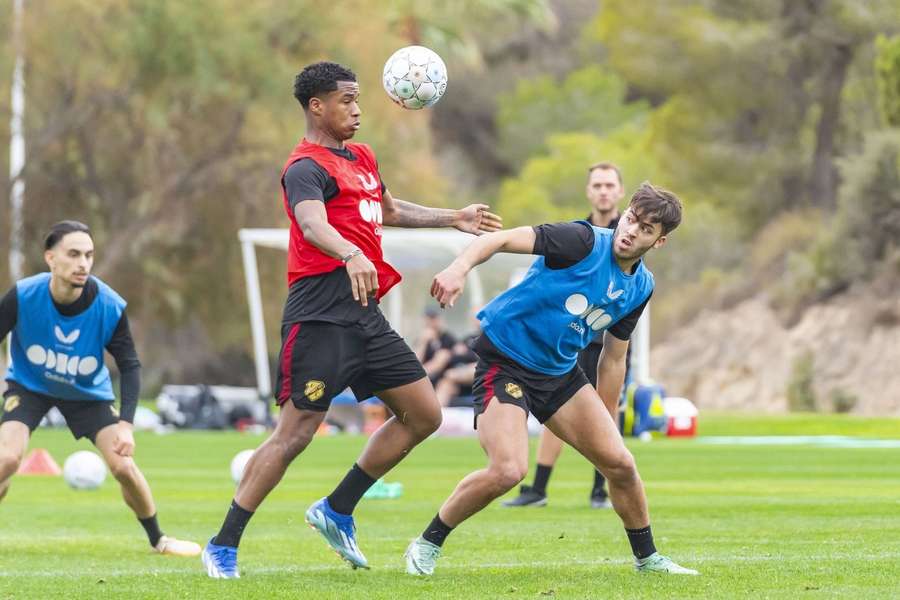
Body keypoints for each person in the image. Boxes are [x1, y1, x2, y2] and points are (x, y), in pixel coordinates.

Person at [202, 61, 501, 578]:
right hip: (318, 314)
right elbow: (311, 222)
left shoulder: (361, 156)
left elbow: (385, 209)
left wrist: (452, 217)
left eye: (359, 99)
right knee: (294, 435)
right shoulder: (304, 167)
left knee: (424, 414)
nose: (358, 109)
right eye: (346, 100)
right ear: (317, 106)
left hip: (366, 315)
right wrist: (349, 253)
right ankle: (223, 544)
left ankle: (337, 508)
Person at [404, 183, 698, 576]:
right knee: (508, 470)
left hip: (559, 374)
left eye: (646, 229)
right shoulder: (580, 241)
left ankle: (648, 559)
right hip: (504, 361)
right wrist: (458, 268)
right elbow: (502, 238)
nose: (631, 231)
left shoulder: (641, 287)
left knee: (621, 464)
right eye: (631, 219)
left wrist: (607, 419)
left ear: (659, 242)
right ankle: (426, 543)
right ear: (623, 214)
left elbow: (614, 358)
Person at [0, 221, 200, 557]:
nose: (83, 263)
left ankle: (159, 540)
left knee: (123, 466)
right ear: (50, 258)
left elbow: (130, 365)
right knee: (6, 459)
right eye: (74, 254)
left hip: (86, 393)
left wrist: (126, 425)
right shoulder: (23, 296)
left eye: (89, 255)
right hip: (29, 385)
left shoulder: (109, 305)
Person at [504, 161, 628, 509]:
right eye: (598, 185)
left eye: (609, 185)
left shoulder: (631, 232)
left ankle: (601, 490)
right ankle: (538, 489)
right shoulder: (578, 233)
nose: (603, 191)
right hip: (573, 338)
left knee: (608, 410)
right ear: (589, 191)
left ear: (619, 191)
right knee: (556, 410)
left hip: (612, 341)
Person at [414, 307, 456, 385]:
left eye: (433, 318)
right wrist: (423, 342)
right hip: (424, 379)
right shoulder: (421, 339)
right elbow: (415, 362)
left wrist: (417, 376)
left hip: (441, 378)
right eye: (428, 319)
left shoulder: (447, 337)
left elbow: (439, 362)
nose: (431, 322)